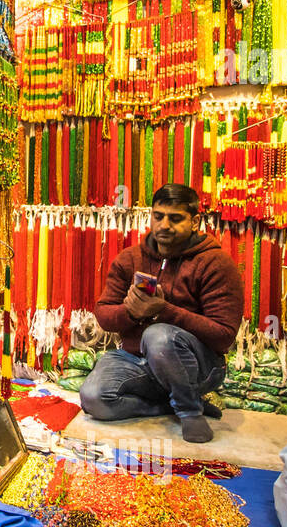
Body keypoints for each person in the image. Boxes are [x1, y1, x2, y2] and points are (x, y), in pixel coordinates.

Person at [81, 184, 244, 444]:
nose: (164, 225)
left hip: (198, 367)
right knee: (93, 399)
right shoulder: (129, 258)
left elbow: (223, 336)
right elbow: (103, 314)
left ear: (195, 221)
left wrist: (164, 311)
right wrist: (131, 313)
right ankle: (168, 407)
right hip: (138, 362)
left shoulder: (216, 263)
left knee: (157, 335)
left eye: (175, 218)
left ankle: (190, 411)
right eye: (158, 216)